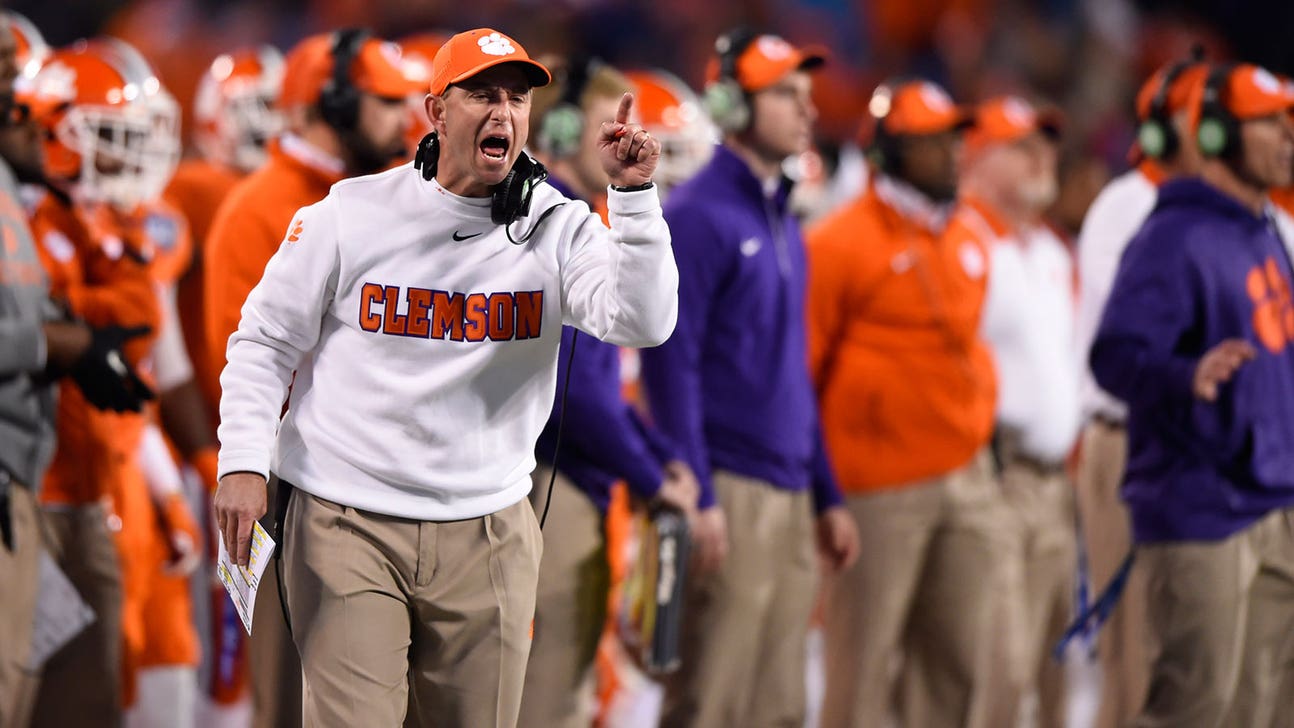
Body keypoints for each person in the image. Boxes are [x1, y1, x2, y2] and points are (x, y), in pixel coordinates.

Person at [212, 26, 677, 727]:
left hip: (488, 527)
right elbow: (264, 341)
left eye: (517, 99)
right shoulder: (352, 214)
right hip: (348, 521)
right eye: (483, 95)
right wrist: (244, 461)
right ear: (436, 112)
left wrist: (635, 200)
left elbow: (641, 321)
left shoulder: (557, 225)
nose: (504, 113)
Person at [639, 29, 859, 728]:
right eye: (787, 95)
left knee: (781, 708)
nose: (809, 110)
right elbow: (669, 367)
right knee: (711, 699)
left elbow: (790, 370)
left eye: (807, 93)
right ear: (732, 105)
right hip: (728, 491)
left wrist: (825, 492)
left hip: (788, 493)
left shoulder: (779, 214)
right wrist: (697, 491)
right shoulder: (698, 215)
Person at [201, 29, 419, 727]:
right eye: (386, 102)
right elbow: (244, 363)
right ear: (336, 102)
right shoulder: (261, 208)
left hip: (372, 486)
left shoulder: (382, 197)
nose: (404, 121)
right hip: (286, 488)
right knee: (288, 700)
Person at [1091, 63, 1294, 728]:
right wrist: (1185, 375)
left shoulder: (1261, 228)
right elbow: (1114, 356)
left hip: (1271, 502)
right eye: (1269, 120)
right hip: (1201, 507)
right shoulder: (1171, 237)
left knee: (1260, 711)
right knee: (1193, 710)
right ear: (1213, 132)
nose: (1288, 134)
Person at [805, 78, 1009, 728]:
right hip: (875, 490)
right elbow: (804, 375)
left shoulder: (969, 238)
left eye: (954, 139)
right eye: (932, 144)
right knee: (861, 671)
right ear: (889, 152)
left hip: (967, 478)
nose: (953, 155)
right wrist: (822, 493)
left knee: (958, 667)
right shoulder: (837, 243)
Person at [516, 56, 699, 728]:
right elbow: (576, 393)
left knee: (568, 680)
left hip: (571, 472)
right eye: (605, 126)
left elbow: (596, 385)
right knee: (548, 688)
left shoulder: (577, 212)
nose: (620, 140)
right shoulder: (558, 218)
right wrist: (652, 475)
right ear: (561, 130)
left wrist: (655, 455)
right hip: (552, 478)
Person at [0, 16, 152, 728]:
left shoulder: (49, 205)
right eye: (13, 87)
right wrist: (59, 343)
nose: (25, 108)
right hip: (25, 484)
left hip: (51, 482)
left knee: (83, 694)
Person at [1072, 57, 1207, 728]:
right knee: (1134, 663)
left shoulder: (1239, 215)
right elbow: (1119, 351)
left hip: (1204, 453)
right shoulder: (1127, 205)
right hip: (1134, 444)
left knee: (1201, 661)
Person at [964, 96, 1078, 728]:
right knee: (997, 674)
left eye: (1047, 145)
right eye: (1022, 147)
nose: (1043, 159)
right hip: (995, 477)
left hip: (1055, 485)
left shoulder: (1053, 253)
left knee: (1051, 673)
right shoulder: (965, 242)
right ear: (976, 159)